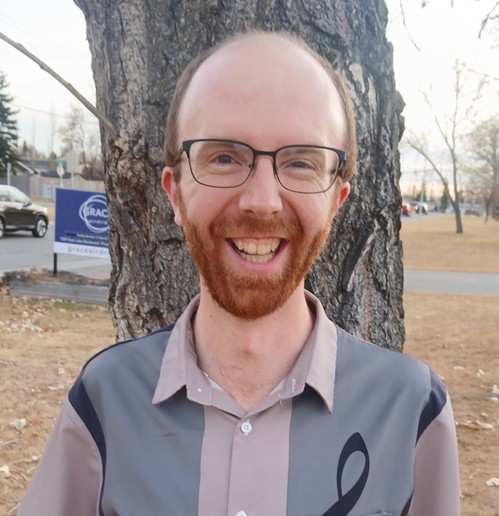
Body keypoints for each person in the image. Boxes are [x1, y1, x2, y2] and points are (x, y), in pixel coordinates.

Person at [19, 31, 460, 516]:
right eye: (224, 158)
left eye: (301, 162)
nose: (262, 201)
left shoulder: (412, 414)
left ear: (336, 202)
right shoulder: (103, 402)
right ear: (175, 193)